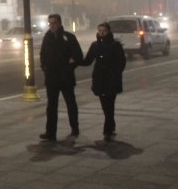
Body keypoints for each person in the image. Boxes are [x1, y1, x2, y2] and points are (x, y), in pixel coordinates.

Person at [39, 13, 83, 141]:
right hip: (51, 78)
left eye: (53, 23)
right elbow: (43, 54)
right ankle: (50, 132)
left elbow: (78, 56)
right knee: (51, 106)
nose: (51, 26)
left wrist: (68, 68)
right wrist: (44, 67)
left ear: (59, 23)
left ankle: (74, 128)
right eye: (50, 23)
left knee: (71, 104)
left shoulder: (68, 37)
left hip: (66, 78)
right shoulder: (47, 37)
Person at [80, 22, 126, 141]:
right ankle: (111, 124)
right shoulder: (95, 45)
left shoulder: (115, 45)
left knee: (109, 104)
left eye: (104, 31)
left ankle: (107, 130)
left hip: (111, 78)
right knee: (105, 105)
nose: (101, 33)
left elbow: (121, 62)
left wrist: (115, 73)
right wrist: (74, 61)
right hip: (100, 79)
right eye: (100, 31)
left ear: (109, 31)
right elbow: (88, 60)